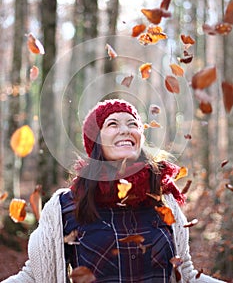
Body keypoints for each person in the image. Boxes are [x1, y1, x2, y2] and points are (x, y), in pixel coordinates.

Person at [1, 99, 226, 283]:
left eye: (132, 124)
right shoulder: (66, 205)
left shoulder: (163, 199)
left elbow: (186, 272)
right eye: (113, 124)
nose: (126, 130)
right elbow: (34, 274)